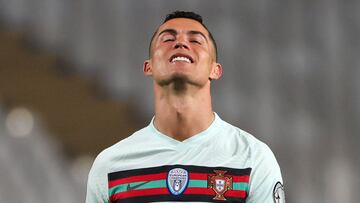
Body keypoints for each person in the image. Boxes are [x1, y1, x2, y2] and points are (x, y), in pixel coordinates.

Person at [86, 11, 285, 203]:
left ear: (215, 70)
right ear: (149, 66)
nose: (181, 43)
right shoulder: (111, 165)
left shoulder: (253, 158)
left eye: (196, 40)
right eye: (167, 39)